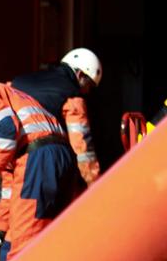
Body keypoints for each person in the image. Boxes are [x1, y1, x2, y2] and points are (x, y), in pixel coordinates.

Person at [0, 81, 78, 261]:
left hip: (37, 159)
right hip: (59, 157)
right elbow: (10, 177)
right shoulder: (7, 93)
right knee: (44, 241)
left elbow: (6, 132)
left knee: (21, 251)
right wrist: (2, 226)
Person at [11, 48, 103, 186]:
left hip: (3, 156)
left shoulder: (19, 82)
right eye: (88, 84)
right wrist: (94, 185)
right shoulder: (72, 97)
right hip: (35, 165)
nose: (87, 91)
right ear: (79, 74)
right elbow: (82, 149)